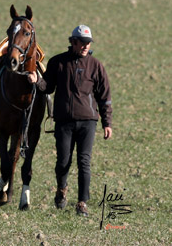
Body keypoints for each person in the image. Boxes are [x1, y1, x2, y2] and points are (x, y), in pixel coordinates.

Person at [28, 24, 112, 216]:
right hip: (64, 122)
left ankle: (82, 202)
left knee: (84, 162)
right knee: (63, 161)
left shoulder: (96, 66)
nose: (85, 46)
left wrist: (107, 123)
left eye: (88, 43)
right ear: (73, 42)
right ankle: (62, 189)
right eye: (82, 42)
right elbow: (47, 87)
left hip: (88, 122)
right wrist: (36, 81)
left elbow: (104, 96)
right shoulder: (58, 62)